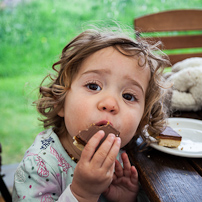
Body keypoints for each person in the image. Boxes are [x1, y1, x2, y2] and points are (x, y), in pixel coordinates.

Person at [12, 26, 169, 202]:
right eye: (93, 86)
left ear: (141, 120)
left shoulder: (125, 157)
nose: (110, 104)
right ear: (61, 101)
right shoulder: (38, 167)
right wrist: (82, 194)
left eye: (128, 96)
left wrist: (126, 199)